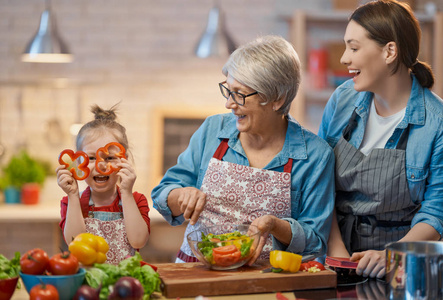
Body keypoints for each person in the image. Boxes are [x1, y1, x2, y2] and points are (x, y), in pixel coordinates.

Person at [151, 35, 335, 263]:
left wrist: (275, 226)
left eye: (239, 94)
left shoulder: (315, 156)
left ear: (277, 98)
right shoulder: (212, 130)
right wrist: (181, 195)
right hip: (195, 272)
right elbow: (162, 193)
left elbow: (315, 242)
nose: (229, 103)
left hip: (264, 282)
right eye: (228, 90)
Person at [318, 0, 443, 279]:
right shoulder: (342, 99)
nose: (344, 58)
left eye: (354, 47)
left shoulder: (437, 123)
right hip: (334, 256)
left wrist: (392, 254)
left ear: (389, 51)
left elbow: (436, 212)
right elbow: (319, 178)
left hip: (400, 269)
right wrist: (336, 249)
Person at [56, 104, 150, 265]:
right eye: (91, 158)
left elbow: (138, 241)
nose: (101, 165)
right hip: (90, 283)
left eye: (109, 158)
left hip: (126, 284)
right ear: (78, 162)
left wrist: (127, 193)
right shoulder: (72, 203)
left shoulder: (136, 200)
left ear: (124, 159)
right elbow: (74, 243)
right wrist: (72, 195)